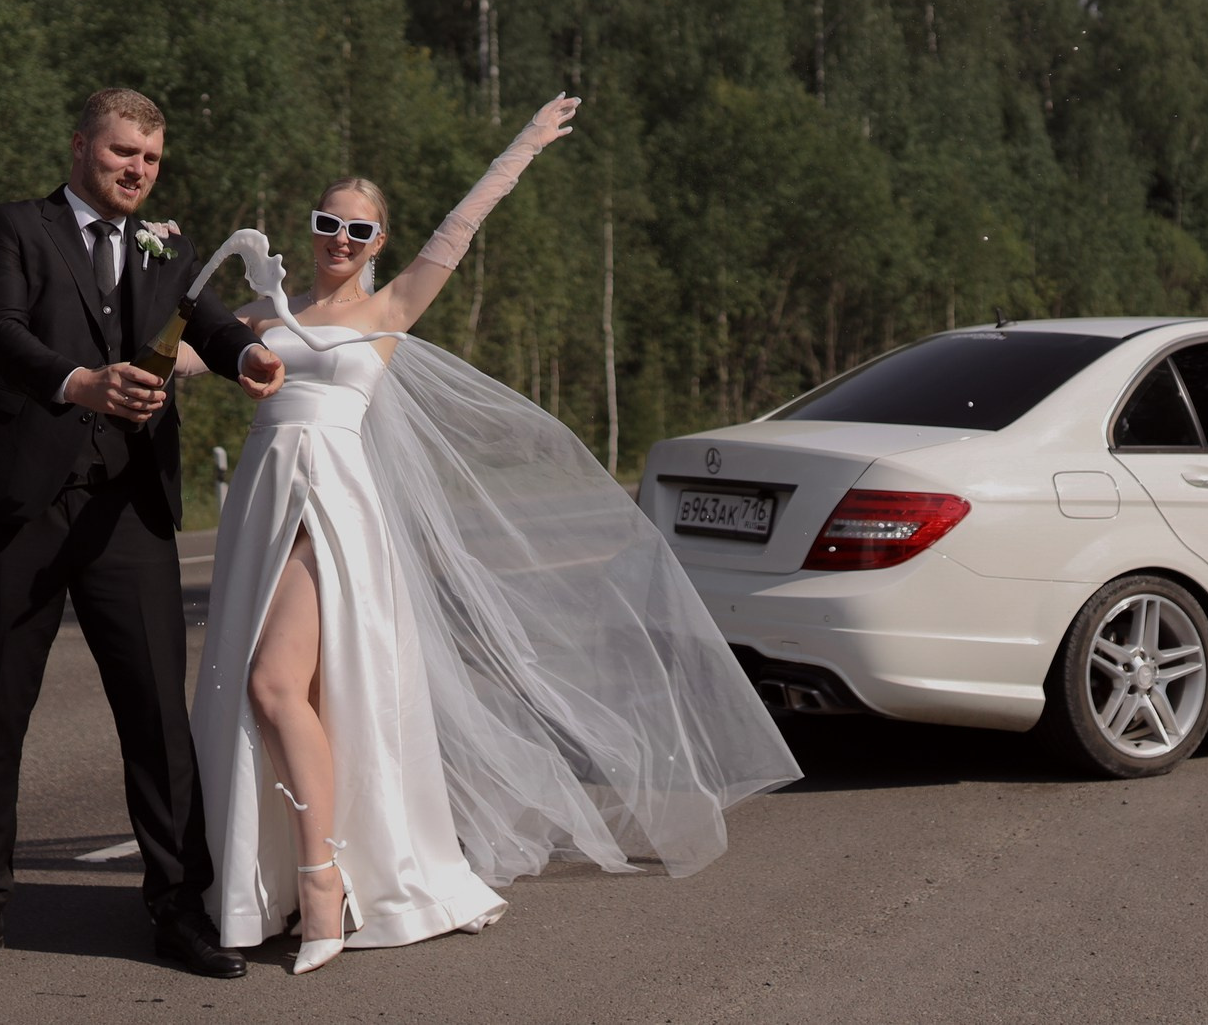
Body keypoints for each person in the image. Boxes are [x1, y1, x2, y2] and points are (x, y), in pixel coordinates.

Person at [181, 95, 799, 974]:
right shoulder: (256, 318)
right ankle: (294, 882)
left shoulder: (389, 309)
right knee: (300, 702)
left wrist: (523, 146)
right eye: (327, 223)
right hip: (261, 506)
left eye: (359, 229)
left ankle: (323, 884)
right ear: (308, 226)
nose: (340, 240)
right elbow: (166, 355)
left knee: (273, 686)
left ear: (378, 242)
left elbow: (460, 229)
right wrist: (159, 271)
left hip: (335, 509)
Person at [0, 88, 287, 982]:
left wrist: (247, 358)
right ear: (83, 144)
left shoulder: (168, 243)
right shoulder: (10, 227)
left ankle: (177, 905)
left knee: (159, 716)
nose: (138, 169)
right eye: (124, 152)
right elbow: (0, 333)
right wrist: (81, 382)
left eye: (152, 159)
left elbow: (210, 321)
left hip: (129, 509)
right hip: (19, 508)